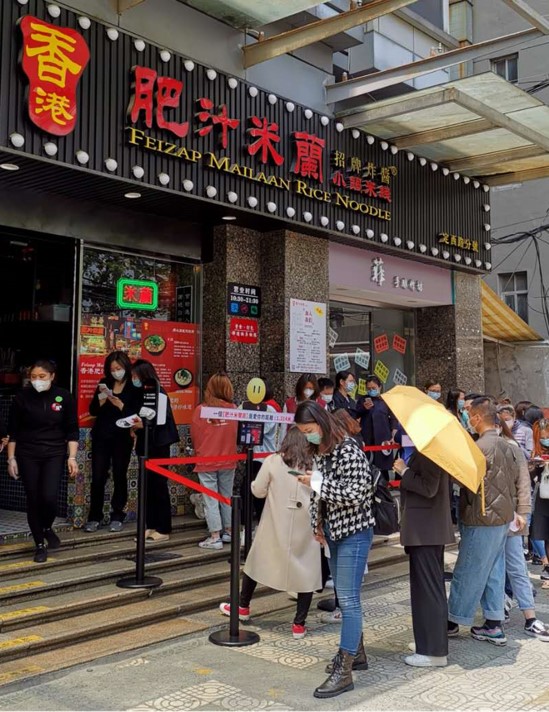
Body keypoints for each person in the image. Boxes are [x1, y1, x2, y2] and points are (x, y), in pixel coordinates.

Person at [294, 401, 374, 699]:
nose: (308, 436)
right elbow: (320, 495)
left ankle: (346, 667)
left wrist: (317, 483)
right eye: (303, 432)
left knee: (349, 600)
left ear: (322, 422)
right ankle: (359, 652)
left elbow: (357, 491)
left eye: (310, 430)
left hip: (355, 530)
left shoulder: (347, 449)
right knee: (343, 595)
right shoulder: (323, 451)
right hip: (335, 531)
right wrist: (317, 524)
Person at [219, 428, 321, 639]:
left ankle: (243, 607)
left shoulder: (274, 461)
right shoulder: (315, 462)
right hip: (306, 523)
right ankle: (298, 624)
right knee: (306, 571)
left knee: (256, 561)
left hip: (275, 520)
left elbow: (258, 490)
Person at [447, 397, 522, 645]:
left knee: (468, 569)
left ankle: (452, 620)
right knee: (494, 570)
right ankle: (493, 623)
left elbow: (466, 482)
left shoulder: (478, 448)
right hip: (502, 517)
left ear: (478, 418)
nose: (468, 417)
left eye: (470, 414)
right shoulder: (508, 445)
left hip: (481, 517)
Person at [7, 360, 79, 563]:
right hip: (27, 452)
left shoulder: (63, 396)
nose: (37, 381)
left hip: (54, 453)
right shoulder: (22, 398)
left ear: (52, 376)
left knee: (49, 496)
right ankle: (39, 544)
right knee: (33, 497)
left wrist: (71, 457)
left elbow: (72, 429)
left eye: (42, 377)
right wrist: (11, 459)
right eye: (33, 377)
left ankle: (46, 526)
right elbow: (14, 431)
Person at [393, 449, 454, 667]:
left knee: (428, 591)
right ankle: (427, 642)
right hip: (427, 530)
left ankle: (434, 651)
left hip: (426, 531)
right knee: (427, 589)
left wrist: (404, 471)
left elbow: (429, 488)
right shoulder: (431, 451)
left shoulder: (431, 452)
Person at [498, 417, 549, 640]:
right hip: (491, 520)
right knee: (495, 571)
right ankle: (497, 614)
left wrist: (522, 512)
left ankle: (529, 617)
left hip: (509, 518)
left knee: (516, 567)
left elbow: (522, 483)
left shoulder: (510, 448)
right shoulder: (481, 445)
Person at [84, 351, 140, 533]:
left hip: (122, 436)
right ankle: (94, 516)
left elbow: (136, 413)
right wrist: (101, 399)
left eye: (119, 368)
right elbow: (93, 409)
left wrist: (120, 405)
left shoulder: (134, 385)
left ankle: (118, 515)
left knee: (119, 474)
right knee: (98, 475)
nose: (116, 372)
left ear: (126, 367)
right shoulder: (104, 383)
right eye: (113, 369)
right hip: (102, 434)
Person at [131, 360, 179, 541]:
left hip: (158, 445)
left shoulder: (159, 392)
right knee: (146, 487)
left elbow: (161, 419)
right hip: (145, 444)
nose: (133, 379)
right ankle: (149, 525)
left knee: (158, 485)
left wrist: (142, 423)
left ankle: (164, 528)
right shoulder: (141, 393)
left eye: (136, 376)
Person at [190, 372, 238, 550]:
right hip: (229, 459)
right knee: (226, 497)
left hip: (206, 460)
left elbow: (195, 436)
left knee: (210, 498)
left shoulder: (201, 410)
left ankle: (215, 536)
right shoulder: (233, 409)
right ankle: (228, 531)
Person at [356, 375, 398, 481]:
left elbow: (393, 419)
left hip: (383, 438)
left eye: (373, 388)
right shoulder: (362, 400)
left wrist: (394, 435)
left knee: (383, 467)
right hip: (367, 437)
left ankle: (384, 487)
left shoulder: (386, 401)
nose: (371, 390)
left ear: (379, 387)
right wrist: (364, 408)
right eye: (369, 388)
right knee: (368, 464)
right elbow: (356, 415)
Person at [251, 382, 281, 521]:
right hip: (260, 455)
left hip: (263, 456)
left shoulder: (269, 409)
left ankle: (262, 520)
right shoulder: (261, 407)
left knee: (260, 491)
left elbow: (260, 432)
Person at [531, 418, 549, 586]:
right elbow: (531, 477)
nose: (545, 440)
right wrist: (537, 466)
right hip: (542, 497)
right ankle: (546, 565)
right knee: (540, 532)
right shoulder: (537, 452)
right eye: (542, 437)